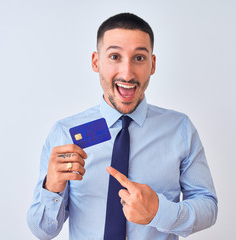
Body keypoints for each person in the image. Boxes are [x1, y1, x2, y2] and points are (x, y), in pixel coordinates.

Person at [27, 13, 218, 240]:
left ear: (152, 64)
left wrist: (160, 212)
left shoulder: (180, 129)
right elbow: (42, 231)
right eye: (115, 56)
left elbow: (208, 205)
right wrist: (52, 188)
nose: (127, 73)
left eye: (139, 58)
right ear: (96, 62)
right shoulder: (65, 133)